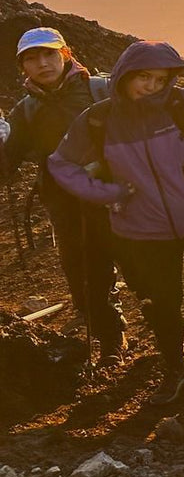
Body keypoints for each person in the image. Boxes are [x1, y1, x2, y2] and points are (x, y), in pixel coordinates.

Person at [48, 41, 184, 405]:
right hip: (141, 228)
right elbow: (61, 164)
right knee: (162, 301)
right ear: (124, 74)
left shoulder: (182, 103)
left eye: (160, 79)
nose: (152, 87)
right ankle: (174, 367)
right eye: (143, 77)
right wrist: (108, 193)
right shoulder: (99, 119)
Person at [0, 28, 125, 363]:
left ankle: (168, 343)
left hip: (118, 194)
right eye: (31, 58)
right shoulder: (26, 111)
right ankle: (112, 340)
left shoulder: (100, 90)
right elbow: (7, 164)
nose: (42, 64)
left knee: (141, 264)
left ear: (66, 55)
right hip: (66, 202)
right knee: (86, 270)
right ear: (22, 67)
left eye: (49, 55)